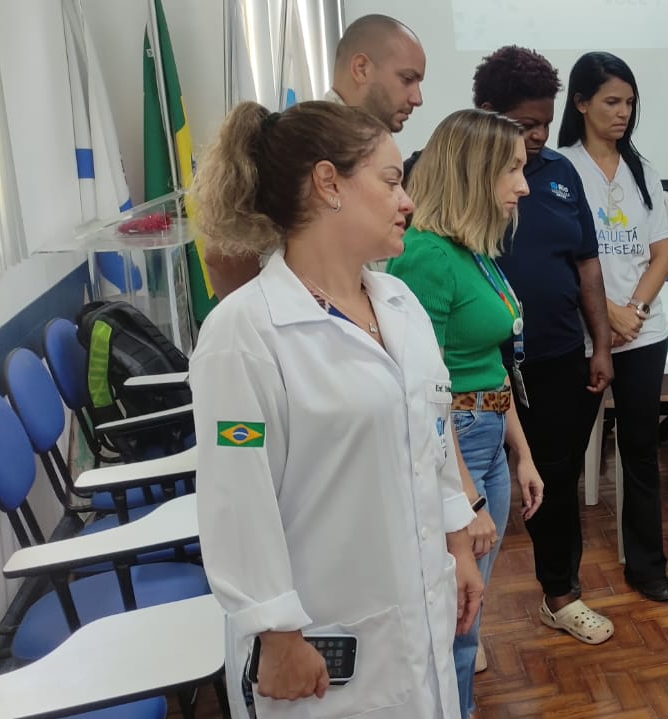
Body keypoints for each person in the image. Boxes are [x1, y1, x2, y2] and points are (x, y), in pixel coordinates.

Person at [190, 101, 483, 719]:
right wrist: (277, 633)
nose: (408, 201)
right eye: (392, 179)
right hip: (321, 653)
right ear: (329, 184)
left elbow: (431, 436)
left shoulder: (400, 304)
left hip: (420, 622)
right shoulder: (244, 333)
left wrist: (457, 545)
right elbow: (238, 500)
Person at [386, 108, 546, 719]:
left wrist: (522, 452)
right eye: (512, 169)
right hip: (455, 446)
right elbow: (425, 389)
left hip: (486, 437)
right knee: (457, 615)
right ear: (474, 172)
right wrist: (466, 497)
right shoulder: (426, 256)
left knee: (467, 614)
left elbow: (486, 363)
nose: (523, 185)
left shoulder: (470, 251)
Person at [462, 45, 617, 647]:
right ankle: (465, 620)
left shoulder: (559, 172)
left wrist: (600, 344)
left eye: (544, 123)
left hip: (554, 358)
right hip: (477, 368)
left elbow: (587, 265)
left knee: (552, 480)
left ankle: (562, 595)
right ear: (486, 112)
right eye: (524, 125)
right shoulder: (447, 174)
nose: (536, 137)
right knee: (473, 494)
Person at [558, 51, 668, 610]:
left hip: (643, 333)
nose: (623, 112)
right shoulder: (561, 169)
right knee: (567, 453)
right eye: (611, 101)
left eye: (629, 102)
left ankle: (648, 564)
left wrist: (635, 309)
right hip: (584, 337)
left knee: (641, 450)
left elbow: (662, 252)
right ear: (580, 103)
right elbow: (561, 260)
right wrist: (608, 314)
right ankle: (564, 582)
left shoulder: (641, 169)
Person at [204, 13, 426, 298]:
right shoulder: (302, 144)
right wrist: (271, 323)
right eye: (407, 79)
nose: (417, 97)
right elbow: (225, 255)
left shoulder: (368, 144)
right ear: (361, 68)